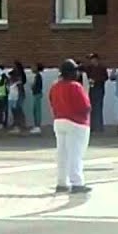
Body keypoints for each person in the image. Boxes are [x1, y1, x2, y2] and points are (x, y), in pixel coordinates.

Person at [49, 59, 92, 193]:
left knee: (62, 154)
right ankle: (77, 183)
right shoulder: (75, 86)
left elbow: (51, 102)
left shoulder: (55, 86)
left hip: (59, 121)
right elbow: (85, 107)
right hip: (76, 123)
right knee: (76, 154)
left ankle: (61, 182)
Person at [29, 63, 45, 135]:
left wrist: (32, 87)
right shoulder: (37, 76)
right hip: (36, 94)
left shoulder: (38, 76)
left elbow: (37, 86)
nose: (32, 68)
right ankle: (36, 125)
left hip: (37, 94)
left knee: (37, 111)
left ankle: (38, 126)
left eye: (34, 67)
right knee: (35, 110)